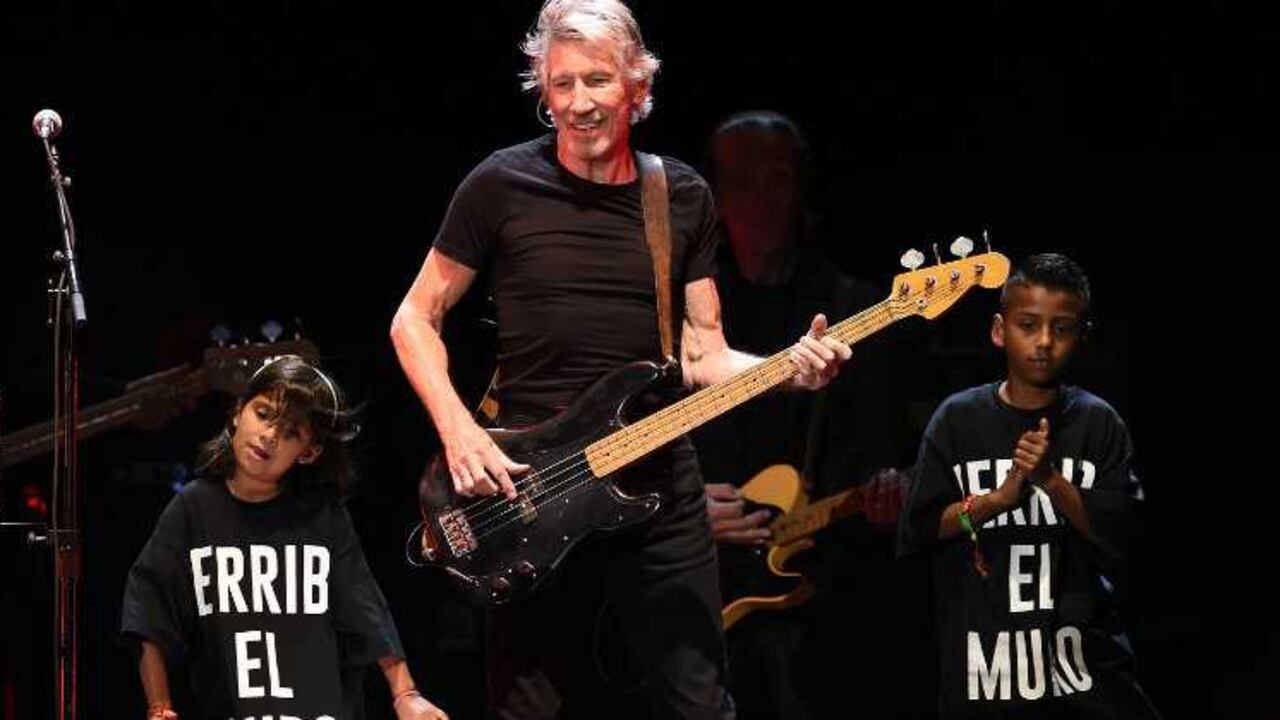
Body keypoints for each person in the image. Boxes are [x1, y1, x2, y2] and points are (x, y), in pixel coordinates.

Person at [388, 2, 851, 717]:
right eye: (562, 84)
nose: (579, 104)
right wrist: (459, 432)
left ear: (638, 86)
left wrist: (786, 368)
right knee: (530, 707)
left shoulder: (681, 195)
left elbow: (703, 354)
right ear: (542, 89)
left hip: (656, 478)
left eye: (598, 82)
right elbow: (415, 318)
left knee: (698, 701)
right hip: (528, 489)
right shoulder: (498, 186)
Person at [694, 110, 914, 720]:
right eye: (743, 180)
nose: (762, 197)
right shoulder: (690, 308)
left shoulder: (853, 307)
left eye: (777, 178)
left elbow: (879, 445)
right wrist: (685, 508)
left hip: (826, 599)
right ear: (714, 196)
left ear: (802, 189)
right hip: (701, 586)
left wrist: (887, 495)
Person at [897, 253, 1160, 719]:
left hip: (1084, 678)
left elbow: (1124, 538)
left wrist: (1050, 480)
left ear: (1082, 336)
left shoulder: (1098, 423)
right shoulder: (958, 420)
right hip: (986, 680)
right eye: (1028, 324)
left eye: (1061, 328)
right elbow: (920, 530)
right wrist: (997, 500)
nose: (1043, 342)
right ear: (1000, 330)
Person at [122, 355, 448, 720]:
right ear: (237, 412)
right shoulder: (192, 510)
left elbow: (365, 608)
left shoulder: (323, 515)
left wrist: (405, 693)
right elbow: (146, 610)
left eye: (290, 432)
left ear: (308, 452)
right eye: (262, 414)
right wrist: (159, 705)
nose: (270, 435)